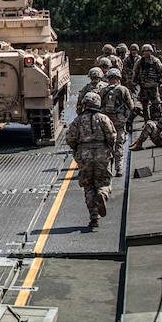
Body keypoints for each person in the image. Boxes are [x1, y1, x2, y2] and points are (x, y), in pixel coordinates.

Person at [65, 92, 116, 228]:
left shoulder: (77, 120)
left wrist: (77, 150)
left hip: (84, 155)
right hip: (102, 154)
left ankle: (94, 217)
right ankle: (103, 193)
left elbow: (70, 138)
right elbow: (111, 136)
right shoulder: (104, 118)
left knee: (88, 186)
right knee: (104, 181)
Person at [98, 69, 134, 177]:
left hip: (106, 122)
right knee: (119, 145)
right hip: (119, 121)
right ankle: (119, 169)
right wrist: (126, 117)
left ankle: (107, 168)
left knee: (107, 146)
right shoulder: (123, 90)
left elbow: (98, 106)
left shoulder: (103, 91)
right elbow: (131, 105)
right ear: (118, 79)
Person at [132, 44, 162, 121]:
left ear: (151, 52)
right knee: (144, 104)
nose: (146, 53)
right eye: (145, 51)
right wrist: (133, 83)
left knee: (156, 103)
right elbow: (135, 72)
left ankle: (156, 119)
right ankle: (146, 119)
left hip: (153, 86)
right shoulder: (140, 62)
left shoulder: (155, 61)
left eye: (148, 51)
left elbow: (161, 72)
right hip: (143, 86)